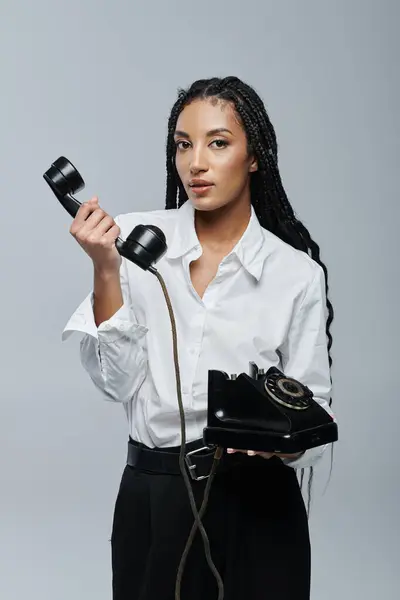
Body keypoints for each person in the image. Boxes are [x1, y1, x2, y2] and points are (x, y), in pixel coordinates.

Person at [62, 76, 336, 600]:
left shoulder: (295, 274)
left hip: (258, 503)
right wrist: (104, 269)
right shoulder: (135, 242)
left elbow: (314, 414)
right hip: (156, 493)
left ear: (253, 156)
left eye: (218, 142)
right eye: (183, 145)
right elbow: (117, 384)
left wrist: (276, 443)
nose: (195, 163)